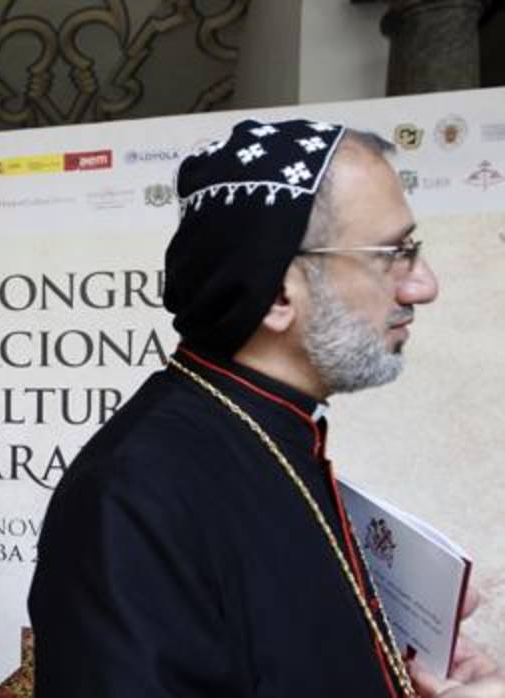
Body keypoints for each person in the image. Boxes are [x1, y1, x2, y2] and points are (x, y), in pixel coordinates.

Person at [28, 119, 501, 697]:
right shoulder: (132, 494)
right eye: (392, 254)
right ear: (278, 293)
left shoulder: (281, 433)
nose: (422, 286)